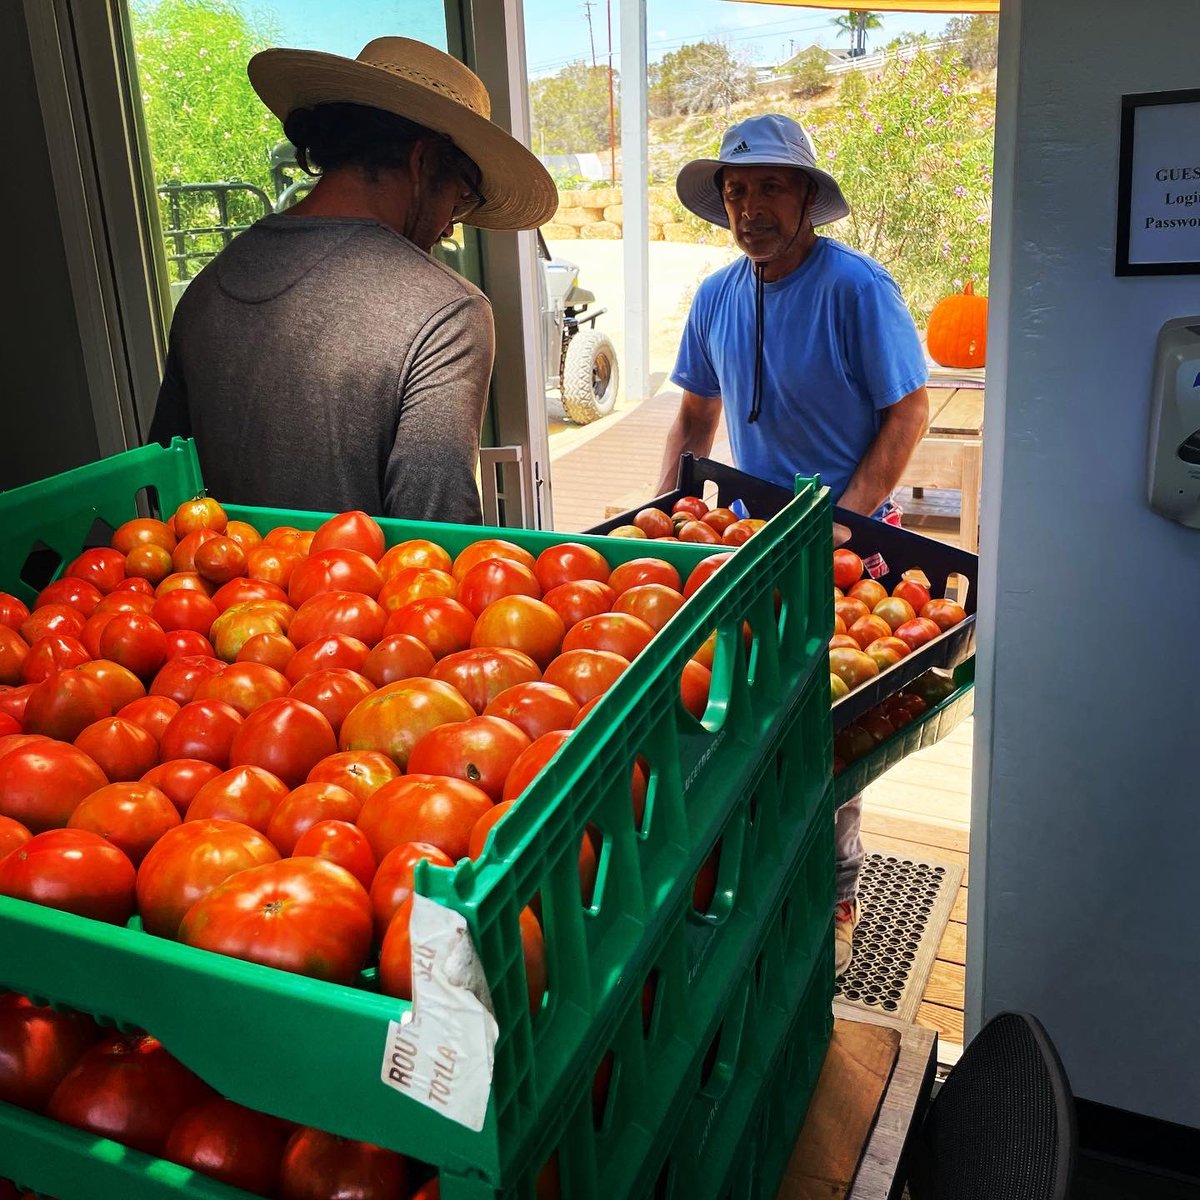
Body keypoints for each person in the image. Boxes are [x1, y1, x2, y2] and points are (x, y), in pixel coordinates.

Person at [659, 113, 930, 975]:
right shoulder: (715, 296)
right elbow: (697, 415)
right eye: (737, 191)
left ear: (807, 196)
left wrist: (841, 520)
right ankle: (761, 880)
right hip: (750, 532)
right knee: (743, 712)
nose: (750, 207)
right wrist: (664, 515)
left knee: (828, 728)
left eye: (771, 186)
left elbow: (908, 410)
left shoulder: (858, 289)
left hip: (851, 542)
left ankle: (839, 888)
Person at [149, 37, 557, 524]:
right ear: (423, 162)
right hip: (361, 599)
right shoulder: (447, 312)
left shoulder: (209, 284)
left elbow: (164, 485)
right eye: (461, 196)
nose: (451, 225)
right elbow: (432, 534)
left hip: (222, 598)